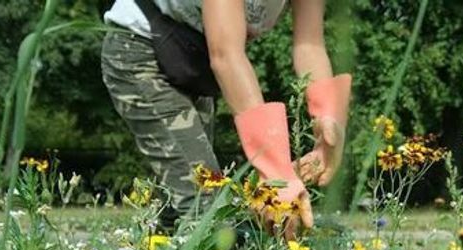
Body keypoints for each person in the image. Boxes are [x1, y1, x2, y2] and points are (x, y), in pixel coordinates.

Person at [100, 0, 351, 235]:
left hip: (193, 64)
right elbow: (226, 57)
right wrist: (277, 171)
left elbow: (310, 46)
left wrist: (329, 118)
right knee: (203, 201)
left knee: (182, 205)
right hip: (141, 50)